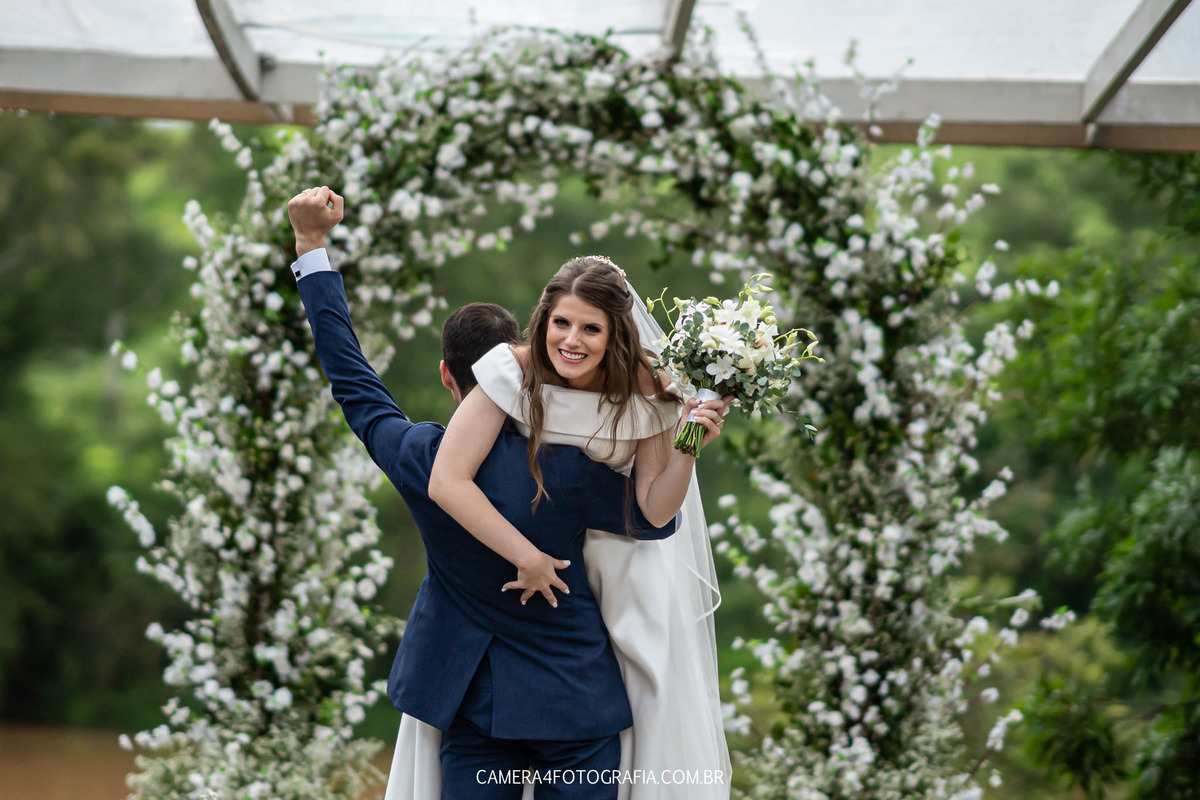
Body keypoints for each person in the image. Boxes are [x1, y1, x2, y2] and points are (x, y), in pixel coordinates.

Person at [286, 186, 677, 800]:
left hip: (472, 699)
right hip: (573, 699)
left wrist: (312, 248)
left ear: (447, 374)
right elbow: (654, 519)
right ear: (528, 354)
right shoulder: (573, 467)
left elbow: (351, 379)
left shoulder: (419, 455)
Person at [429, 255, 733, 799]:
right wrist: (527, 556)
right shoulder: (509, 373)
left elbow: (655, 511)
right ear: (543, 319)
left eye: (591, 328)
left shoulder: (648, 391)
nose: (572, 340)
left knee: (640, 722)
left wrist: (689, 445)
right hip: (540, 575)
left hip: (619, 575)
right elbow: (447, 481)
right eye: (561, 323)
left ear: (616, 334)